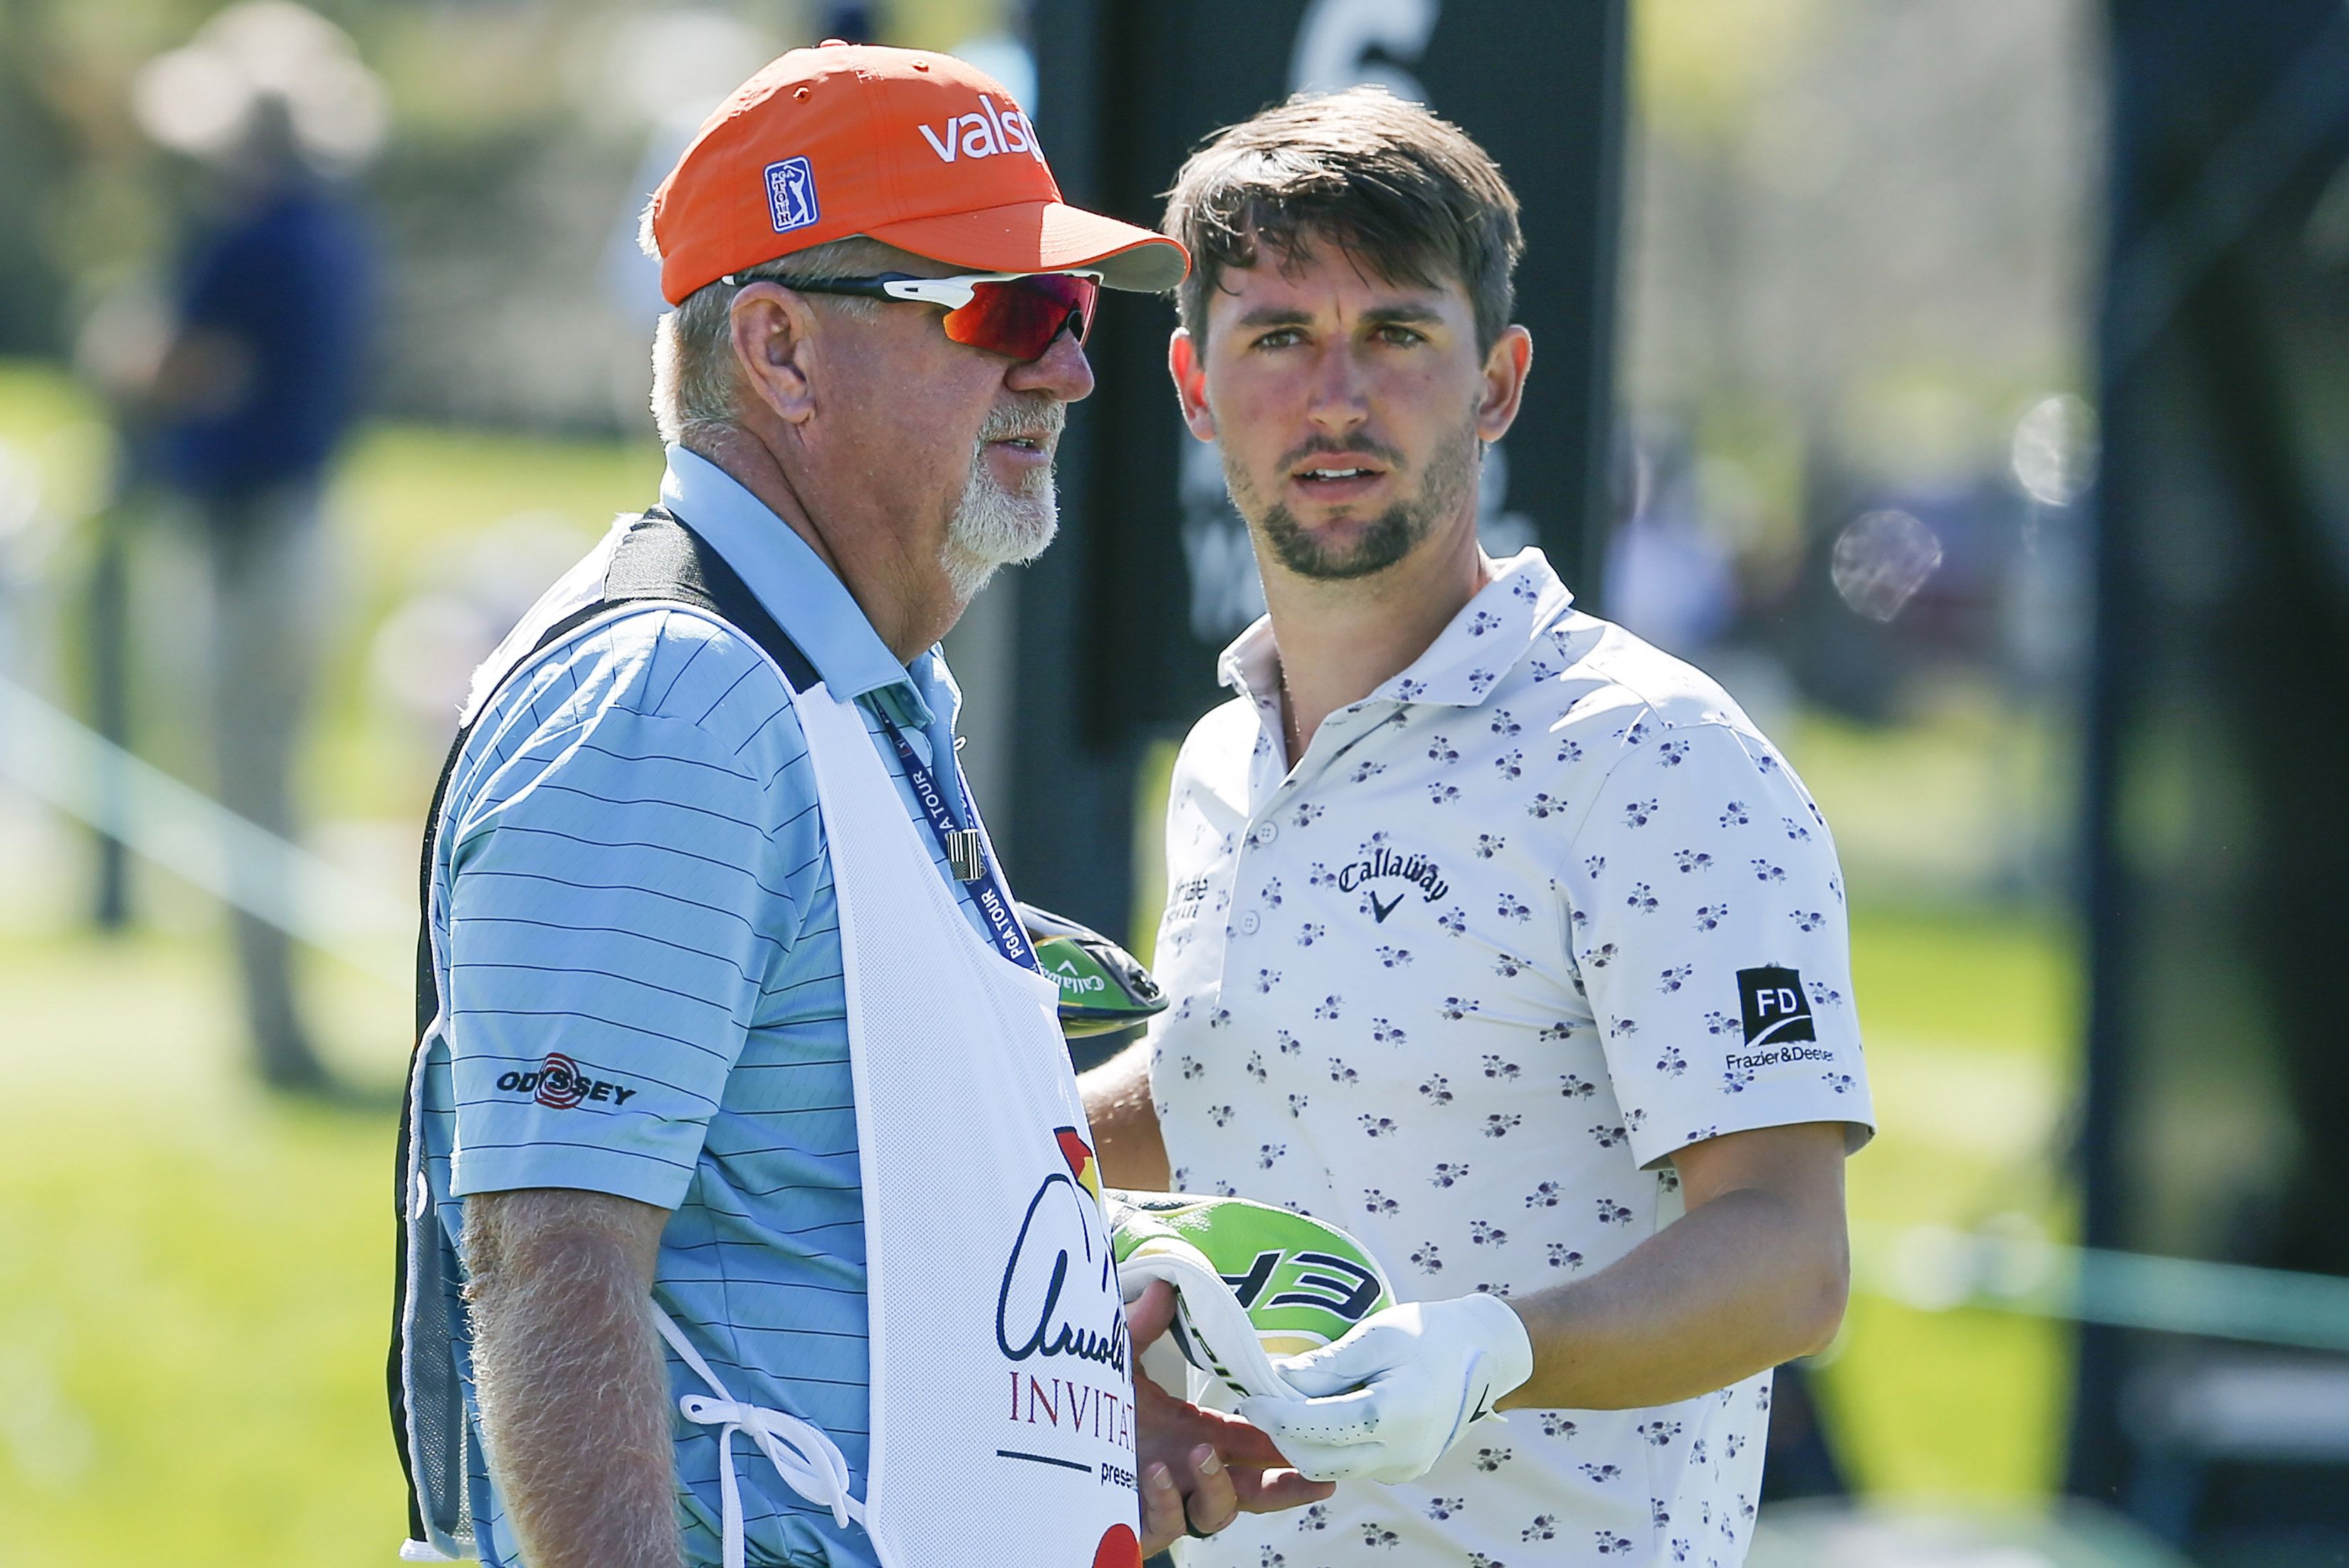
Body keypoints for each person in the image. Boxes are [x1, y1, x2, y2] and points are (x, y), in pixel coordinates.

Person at [391, 44, 1325, 1568]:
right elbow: (552, 1272)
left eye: (1074, 313)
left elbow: (835, 1222)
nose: (1067, 370)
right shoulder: (682, 697)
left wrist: (1078, 1427)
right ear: (778, 351)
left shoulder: (842, 689)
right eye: (1003, 310)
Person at [1078, 88, 1876, 1568]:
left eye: (1395, 335)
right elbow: (1231, 1074)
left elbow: (1788, 1258)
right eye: (1277, 337)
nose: (1337, 398)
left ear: (1496, 383)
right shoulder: (1221, 759)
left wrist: (1499, 1346)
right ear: (1193, 384)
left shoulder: (1651, 756)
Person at [115, 5, 378, 1091]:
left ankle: (273, 1033)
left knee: (247, 787)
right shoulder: (333, 233)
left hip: (249, 537)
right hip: (306, 525)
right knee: (268, 781)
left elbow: (160, 368)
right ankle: (277, 1023)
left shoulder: (247, 240)